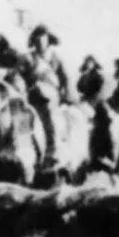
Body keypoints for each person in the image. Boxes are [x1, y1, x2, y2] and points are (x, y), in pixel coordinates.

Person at [23, 24, 72, 171]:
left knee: (49, 117)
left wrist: (64, 96)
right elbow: (21, 75)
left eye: (43, 40)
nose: (40, 43)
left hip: (50, 96)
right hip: (31, 95)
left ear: (48, 41)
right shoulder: (28, 58)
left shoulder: (56, 59)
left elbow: (65, 79)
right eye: (37, 40)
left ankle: (52, 151)